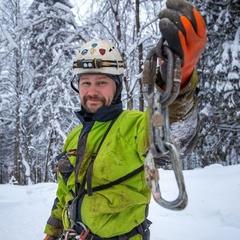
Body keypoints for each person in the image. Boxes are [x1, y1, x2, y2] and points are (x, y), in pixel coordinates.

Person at [44, 0, 207, 239]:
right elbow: (64, 193)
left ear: (117, 87)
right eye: (85, 83)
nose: (92, 91)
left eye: (101, 83)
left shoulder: (132, 125)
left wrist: (180, 81)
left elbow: (171, 132)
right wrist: (53, 230)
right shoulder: (73, 137)